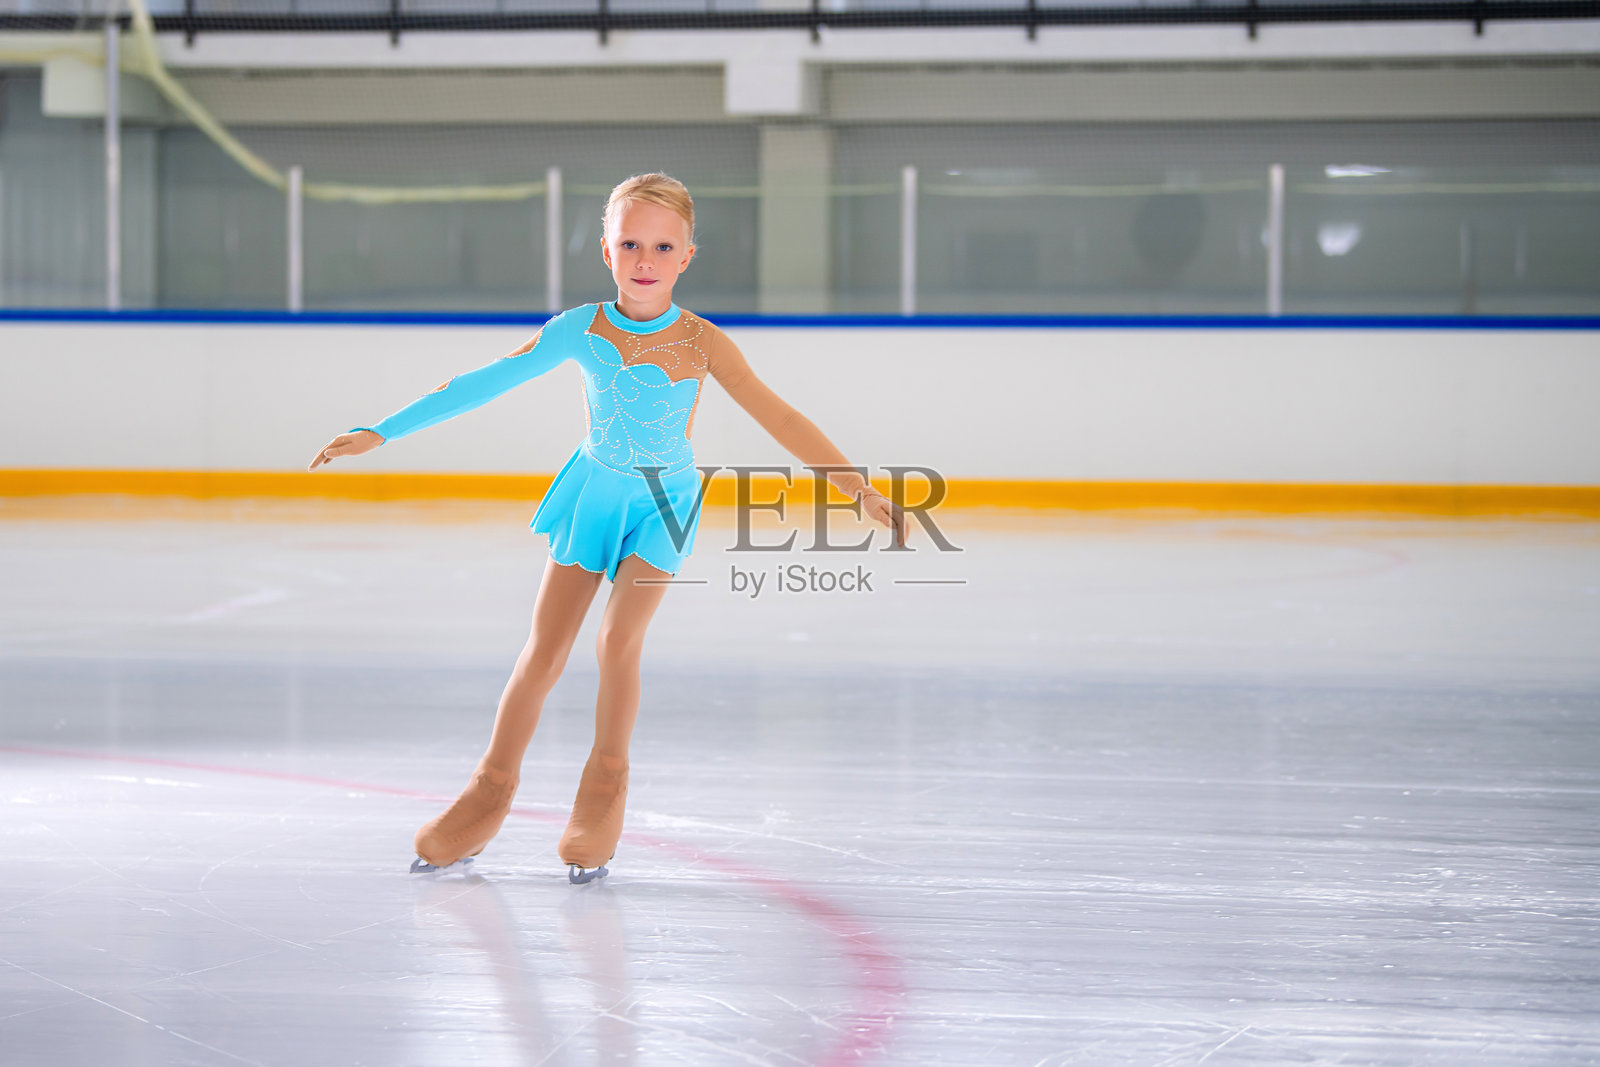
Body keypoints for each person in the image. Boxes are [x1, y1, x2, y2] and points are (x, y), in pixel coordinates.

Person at [308, 172, 906, 883]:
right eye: (630, 243)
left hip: (662, 501)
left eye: (661, 245)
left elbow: (779, 416)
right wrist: (382, 431)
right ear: (606, 251)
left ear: (687, 256)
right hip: (592, 495)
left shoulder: (704, 342)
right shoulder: (580, 329)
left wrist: (856, 487)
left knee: (619, 639)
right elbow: (481, 382)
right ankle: (490, 786)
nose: (644, 259)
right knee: (543, 653)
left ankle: (605, 784)